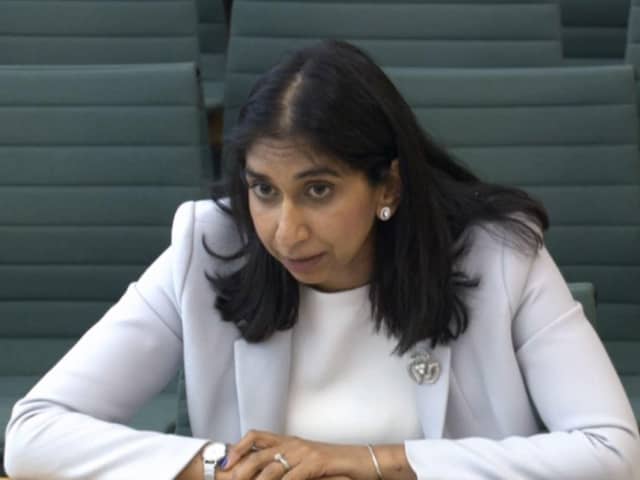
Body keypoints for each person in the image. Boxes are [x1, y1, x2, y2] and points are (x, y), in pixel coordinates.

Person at [4, 39, 639, 479]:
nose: (285, 230)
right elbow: (34, 431)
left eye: (318, 190)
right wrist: (217, 467)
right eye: (263, 190)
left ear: (387, 186)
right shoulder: (207, 247)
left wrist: (370, 461)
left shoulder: (501, 255)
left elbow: (612, 453)